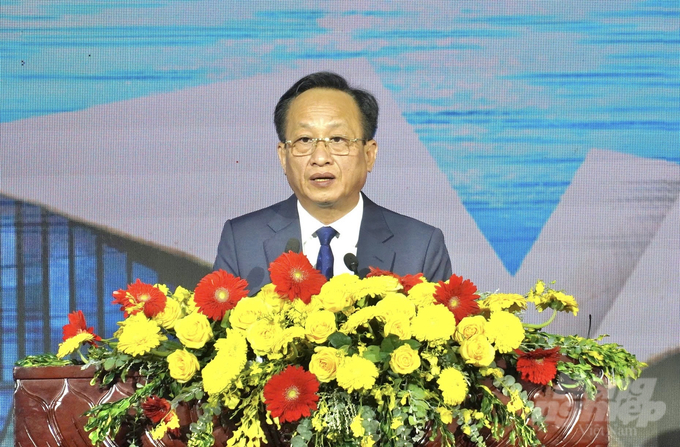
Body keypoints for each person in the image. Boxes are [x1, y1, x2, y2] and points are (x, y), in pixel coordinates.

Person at [214, 72, 452, 293]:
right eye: (304, 140)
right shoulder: (242, 241)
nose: (320, 158)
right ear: (283, 156)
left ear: (369, 154)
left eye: (338, 139)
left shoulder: (420, 246)